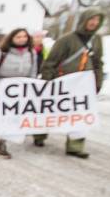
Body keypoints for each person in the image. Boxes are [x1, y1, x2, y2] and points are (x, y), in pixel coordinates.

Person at [33, 9, 106, 159]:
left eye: (97, 20)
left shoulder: (97, 40)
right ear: (84, 20)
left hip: (83, 85)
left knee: (79, 114)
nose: (94, 23)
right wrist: (47, 81)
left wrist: (98, 81)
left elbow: (98, 62)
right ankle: (39, 134)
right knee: (50, 111)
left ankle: (75, 145)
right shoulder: (67, 40)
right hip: (62, 82)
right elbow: (51, 61)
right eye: (91, 19)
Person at [0, 28, 38, 158]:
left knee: (14, 118)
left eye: (24, 36)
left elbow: (32, 74)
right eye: (18, 36)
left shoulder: (32, 54)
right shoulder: (2, 54)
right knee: (5, 117)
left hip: (20, 92)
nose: (22, 39)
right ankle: (1, 145)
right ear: (11, 38)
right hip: (0, 91)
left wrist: (32, 91)